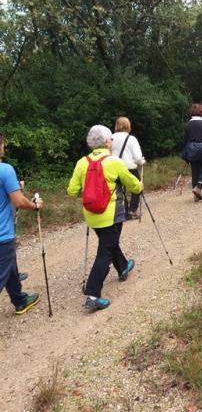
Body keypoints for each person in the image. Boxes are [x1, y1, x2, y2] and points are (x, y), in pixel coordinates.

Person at [67, 125, 143, 311]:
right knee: (105, 251)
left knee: (108, 244)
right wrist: (139, 186)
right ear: (107, 141)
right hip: (111, 215)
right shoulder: (113, 162)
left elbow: (72, 191)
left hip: (92, 215)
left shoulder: (81, 163)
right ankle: (93, 294)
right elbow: (132, 185)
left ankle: (123, 266)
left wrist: (88, 193)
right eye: (110, 139)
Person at [0, 134, 42, 315]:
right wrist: (35, 206)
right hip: (2, 234)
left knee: (10, 266)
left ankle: (20, 300)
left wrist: (14, 185)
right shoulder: (5, 170)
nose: (4, 148)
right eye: (3, 144)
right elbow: (18, 202)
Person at [112, 117, 146, 220]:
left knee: (119, 190)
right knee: (137, 187)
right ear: (128, 125)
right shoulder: (131, 139)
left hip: (115, 168)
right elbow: (137, 157)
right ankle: (132, 210)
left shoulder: (110, 138)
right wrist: (142, 161)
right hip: (129, 168)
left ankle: (123, 210)